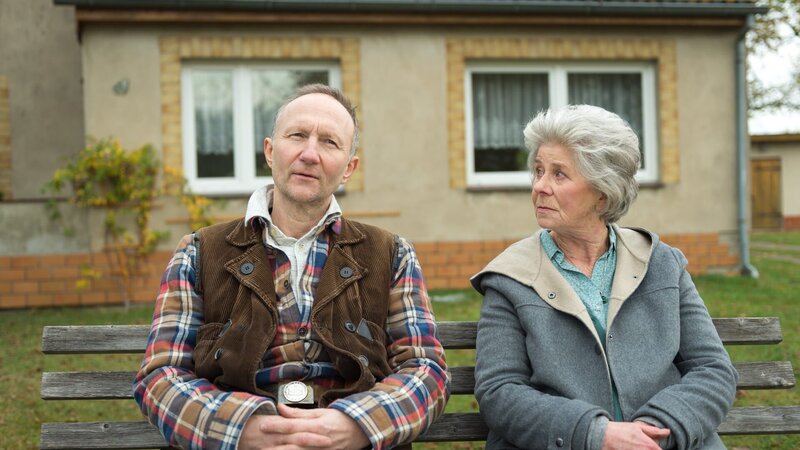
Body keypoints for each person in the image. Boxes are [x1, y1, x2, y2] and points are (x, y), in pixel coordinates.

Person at [134, 84, 449, 450]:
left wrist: (355, 424)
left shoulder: (392, 254)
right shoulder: (198, 253)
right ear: (270, 151)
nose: (309, 154)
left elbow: (427, 371)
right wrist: (242, 430)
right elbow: (161, 376)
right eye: (297, 135)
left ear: (349, 168)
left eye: (329, 142)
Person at [472, 105, 738, 450]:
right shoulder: (511, 276)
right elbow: (499, 392)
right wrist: (595, 435)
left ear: (603, 192)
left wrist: (653, 431)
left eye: (559, 174)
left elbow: (713, 369)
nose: (540, 186)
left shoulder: (661, 263)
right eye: (538, 171)